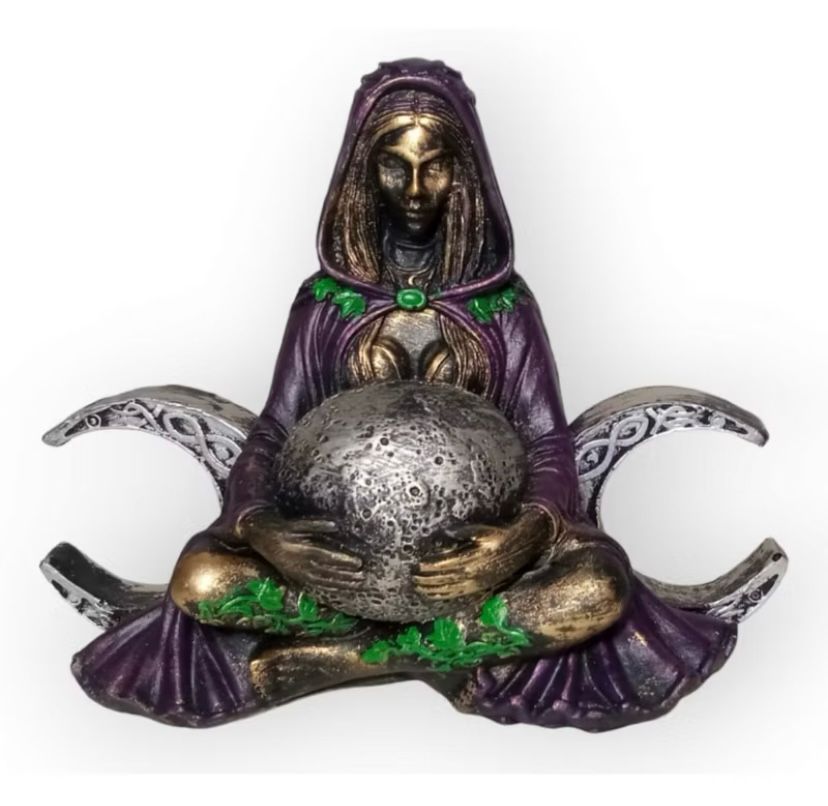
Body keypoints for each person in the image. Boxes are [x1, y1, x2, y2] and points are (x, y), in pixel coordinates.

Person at [71, 59, 736, 730]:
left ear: (465, 174)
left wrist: (521, 537)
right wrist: (264, 530)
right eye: (395, 166)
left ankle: (347, 659)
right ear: (363, 173)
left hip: (473, 567)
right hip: (338, 563)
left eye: (435, 166)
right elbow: (273, 432)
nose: (416, 190)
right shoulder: (324, 304)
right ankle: (445, 653)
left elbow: (546, 441)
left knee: (597, 588)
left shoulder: (505, 308)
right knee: (203, 581)